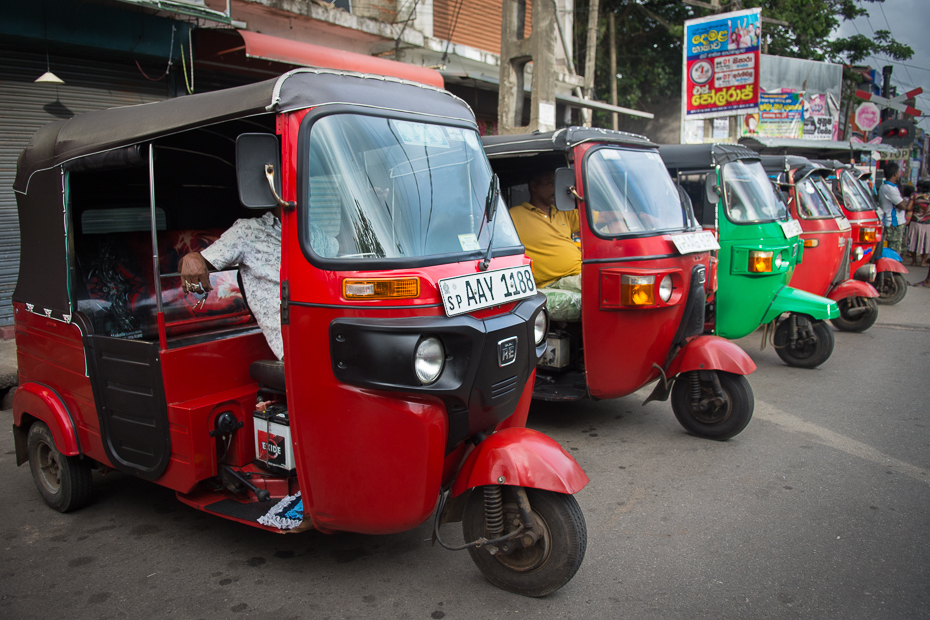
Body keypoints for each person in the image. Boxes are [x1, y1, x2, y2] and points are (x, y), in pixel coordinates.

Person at [179, 207, 337, 360]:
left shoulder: (314, 232)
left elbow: (343, 249)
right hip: (295, 342)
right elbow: (197, 262)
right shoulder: (248, 231)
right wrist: (191, 258)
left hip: (328, 327)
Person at [509, 170, 582, 320]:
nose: (555, 188)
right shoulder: (514, 216)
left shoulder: (563, 213)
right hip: (554, 281)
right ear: (534, 186)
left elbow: (600, 218)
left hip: (578, 274)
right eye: (550, 183)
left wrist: (637, 217)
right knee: (604, 285)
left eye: (556, 184)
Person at [877, 163, 910, 256]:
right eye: (898, 172)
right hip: (893, 223)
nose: (899, 174)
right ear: (894, 174)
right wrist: (903, 202)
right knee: (894, 250)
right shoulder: (889, 189)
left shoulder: (890, 187)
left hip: (896, 222)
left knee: (898, 249)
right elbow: (903, 206)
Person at [905, 180, 930, 267]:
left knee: (913, 242)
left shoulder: (914, 195)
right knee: (926, 243)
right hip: (928, 223)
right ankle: (923, 261)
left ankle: (914, 261)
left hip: (915, 222)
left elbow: (908, 207)